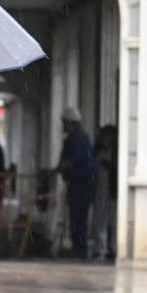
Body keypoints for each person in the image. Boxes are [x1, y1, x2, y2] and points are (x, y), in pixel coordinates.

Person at [57, 108, 96, 258]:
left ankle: (79, 248)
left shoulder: (76, 139)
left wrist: (60, 168)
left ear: (70, 123)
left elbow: (73, 160)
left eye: (64, 123)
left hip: (81, 184)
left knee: (78, 217)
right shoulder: (82, 138)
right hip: (81, 183)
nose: (63, 126)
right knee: (78, 217)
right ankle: (79, 246)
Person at [91, 124, 117, 260]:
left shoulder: (116, 153)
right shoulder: (98, 151)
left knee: (112, 219)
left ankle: (112, 248)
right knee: (101, 218)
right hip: (101, 189)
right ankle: (101, 248)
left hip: (111, 189)